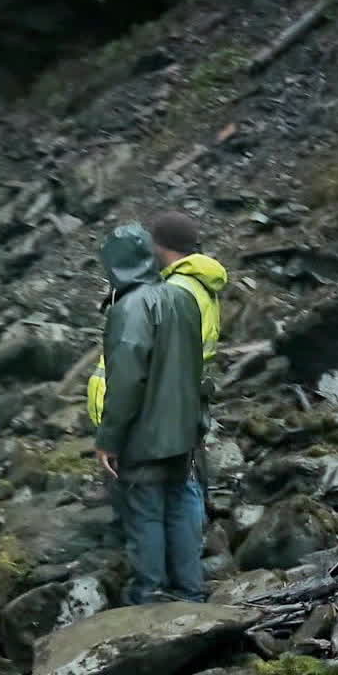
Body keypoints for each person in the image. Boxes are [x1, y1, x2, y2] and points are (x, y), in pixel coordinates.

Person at [88, 211, 227, 535]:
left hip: (158, 398)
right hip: (171, 393)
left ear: (161, 246)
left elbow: (145, 353)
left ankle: (177, 548)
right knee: (179, 472)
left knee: (169, 483)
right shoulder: (187, 283)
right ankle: (181, 542)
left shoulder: (179, 288)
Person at [93, 222, 208, 604]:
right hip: (183, 428)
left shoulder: (128, 309)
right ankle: (191, 589)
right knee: (179, 504)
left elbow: (126, 380)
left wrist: (109, 440)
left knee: (145, 512)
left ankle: (150, 592)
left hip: (145, 431)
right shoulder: (182, 298)